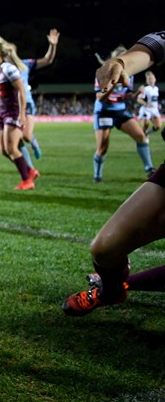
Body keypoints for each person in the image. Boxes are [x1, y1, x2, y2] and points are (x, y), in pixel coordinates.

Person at [62, 30, 165, 316]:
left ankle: (122, 285)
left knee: (141, 139)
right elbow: (147, 51)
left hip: (121, 110)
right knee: (104, 249)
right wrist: (119, 63)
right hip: (106, 110)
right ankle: (113, 290)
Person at [0, 29, 59, 164]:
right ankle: (29, 169)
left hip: (25, 103)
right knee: (11, 143)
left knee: (26, 136)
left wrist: (52, 45)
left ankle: (33, 143)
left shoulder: (24, 65)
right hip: (7, 107)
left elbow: (47, 60)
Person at [91, 45, 154, 182]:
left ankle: (150, 169)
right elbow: (99, 96)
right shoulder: (104, 72)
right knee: (102, 148)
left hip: (120, 110)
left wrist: (136, 93)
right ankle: (97, 174)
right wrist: (111, 84)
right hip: (104, 112)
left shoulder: (129, 73)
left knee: (141, 136)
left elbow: (126, 95)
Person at [0, 40, 41, 190]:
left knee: (12, 148)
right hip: (1, 113)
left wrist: (22, 113)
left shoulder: (9, 69)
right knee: (3, 150)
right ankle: (30, 171)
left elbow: (21, 91)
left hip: (13, 111)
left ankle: (27, 180)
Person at [135, 70, 161, 135]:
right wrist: (146, 104)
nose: (151, 80)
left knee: (158, 126)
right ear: (147, 81)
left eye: (152, 78)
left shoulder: (156, 88)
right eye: (150, 79)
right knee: (146, 124)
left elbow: (155, 99)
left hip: (154, 109)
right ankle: (142, 136)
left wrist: (158, 104)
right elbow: (138, 99)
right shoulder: (146, 88)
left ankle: (146, 134)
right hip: (146, 109)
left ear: (155, 79)